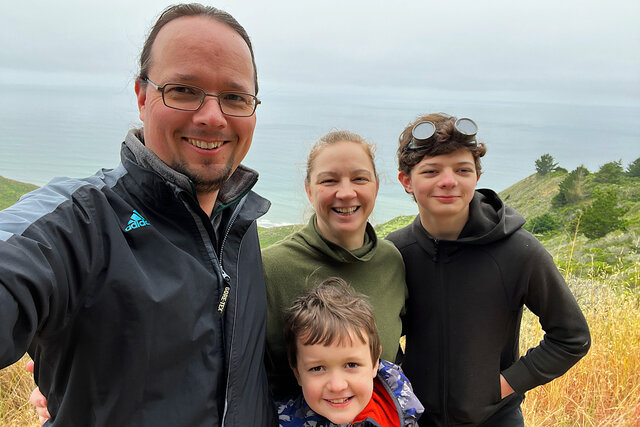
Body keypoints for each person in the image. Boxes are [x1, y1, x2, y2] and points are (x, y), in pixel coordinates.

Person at [0, 4, 274, 425]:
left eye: (235, 97)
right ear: (142, 95)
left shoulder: (241, 222)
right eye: (183, 90)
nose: (213, 117)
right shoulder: (82, 221)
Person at [386, 112, 591, 426]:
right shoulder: (396, 253)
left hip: (495, 419)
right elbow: (373, 337)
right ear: (406, 181)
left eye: (462, 169)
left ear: (476, 178)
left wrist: (500, 388)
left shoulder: (518, 250)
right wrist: (402, 387)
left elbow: (571, 337)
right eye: (431, 171)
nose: (449, 181)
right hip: (414, 419)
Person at [262, 130, 407, 400]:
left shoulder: (392, 261)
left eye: (359, 179)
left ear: (376, 186)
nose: (345, 192)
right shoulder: (269, 269)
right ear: (309, 190)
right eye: (329, 180)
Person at [277, 277, 423, 426]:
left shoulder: (398, 406)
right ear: (297, 372)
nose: (337, 386)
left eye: (351, 365)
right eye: (317, 368)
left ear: (374, 363)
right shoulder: (279, 422)